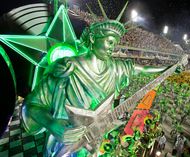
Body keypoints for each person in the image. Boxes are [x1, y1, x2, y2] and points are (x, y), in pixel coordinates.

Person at [20, 2, 172, 157]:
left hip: (92, 149)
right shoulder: (66, 68)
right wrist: (52, 124)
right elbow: (31, 105)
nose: (113, 47)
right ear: (93, 38)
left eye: (115, 43)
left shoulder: (115, 68)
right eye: (110, 41)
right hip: (63, 149)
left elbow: (143, 69)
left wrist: (170, 68)